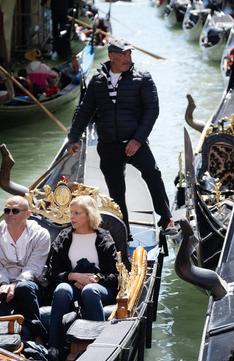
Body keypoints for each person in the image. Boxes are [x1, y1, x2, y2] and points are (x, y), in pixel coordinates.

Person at [66, 39, 176, 235]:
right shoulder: (98, 81)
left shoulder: (142, 78)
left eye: (129, 54)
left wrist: (138, 139)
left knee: (153, 174)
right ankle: (124, 230)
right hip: (108, 145)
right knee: (116, 190)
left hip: (135, 142)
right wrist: (73, 138)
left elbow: (152, 110)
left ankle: (166, 219)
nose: (127, 58)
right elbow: (85, 110)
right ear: (111, 56)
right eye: (123, 54)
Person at [45, 196, 118, 361]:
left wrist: (95, 279)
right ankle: (54, 345)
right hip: (72, 285)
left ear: (89, 215)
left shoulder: (104, 238)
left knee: (90, 291)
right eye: (71, 213)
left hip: (98, 287)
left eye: (77, 213)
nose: (72, 217)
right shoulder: (64, 237)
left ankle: (98, 345)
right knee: (62, 290)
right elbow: (53, 272)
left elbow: (115, 274)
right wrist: (73, 276)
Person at [0, 196, 51, 342]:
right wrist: (4, 284)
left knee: (24, 288)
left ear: (27, 214)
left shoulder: (41, 235)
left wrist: (15, 285)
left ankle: (36, 334)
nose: (10, 214)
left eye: (15, 211)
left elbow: (34, 268)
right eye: (7, 210)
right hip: (3, 281)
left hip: (32, 282)